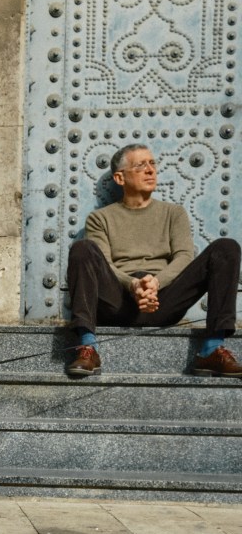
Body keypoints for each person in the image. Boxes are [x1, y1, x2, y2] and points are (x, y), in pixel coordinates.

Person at [66, 143, 242, 377]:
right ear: (120, 178)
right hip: (119, 302)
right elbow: (105, 263)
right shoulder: (100, 218)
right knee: (82, 249)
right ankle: (87, 346)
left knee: (226, 248)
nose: (150, 170)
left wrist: (155, 283)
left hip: (163, 300)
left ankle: (211, 349)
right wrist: (134, 285)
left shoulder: (174, 213)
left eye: (152, 164)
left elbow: (184, 256)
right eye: (140, 165)